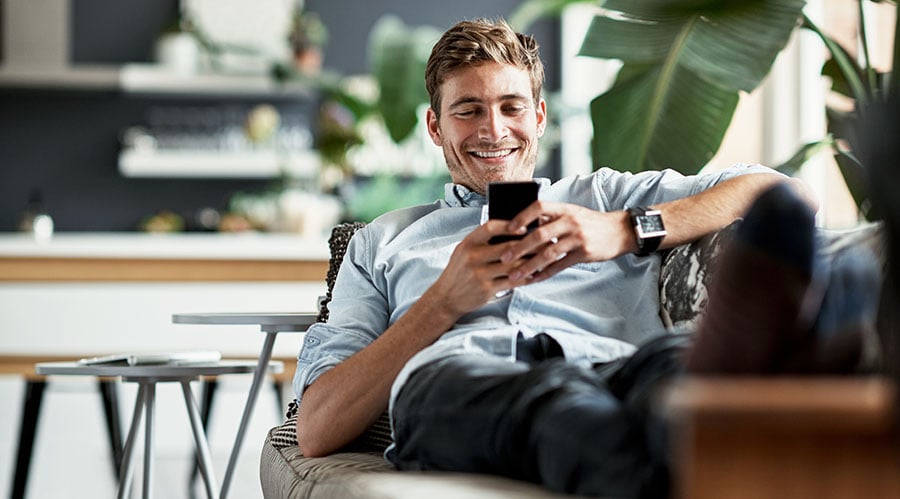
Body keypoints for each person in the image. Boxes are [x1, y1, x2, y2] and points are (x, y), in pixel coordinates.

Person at [292, 18, 876, 498]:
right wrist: (441, 304)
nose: (493, 129)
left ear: (539, 117)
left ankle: (723, 374)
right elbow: (317, 427)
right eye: (467, 110)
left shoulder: (605, 197)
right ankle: (756, 378)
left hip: (616, 364)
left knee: (667, 367)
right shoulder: (382, 241)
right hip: (456, 381)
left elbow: (785, 195)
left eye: (511, 107)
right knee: (563, 410)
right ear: (436, 128)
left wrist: (626, 230)